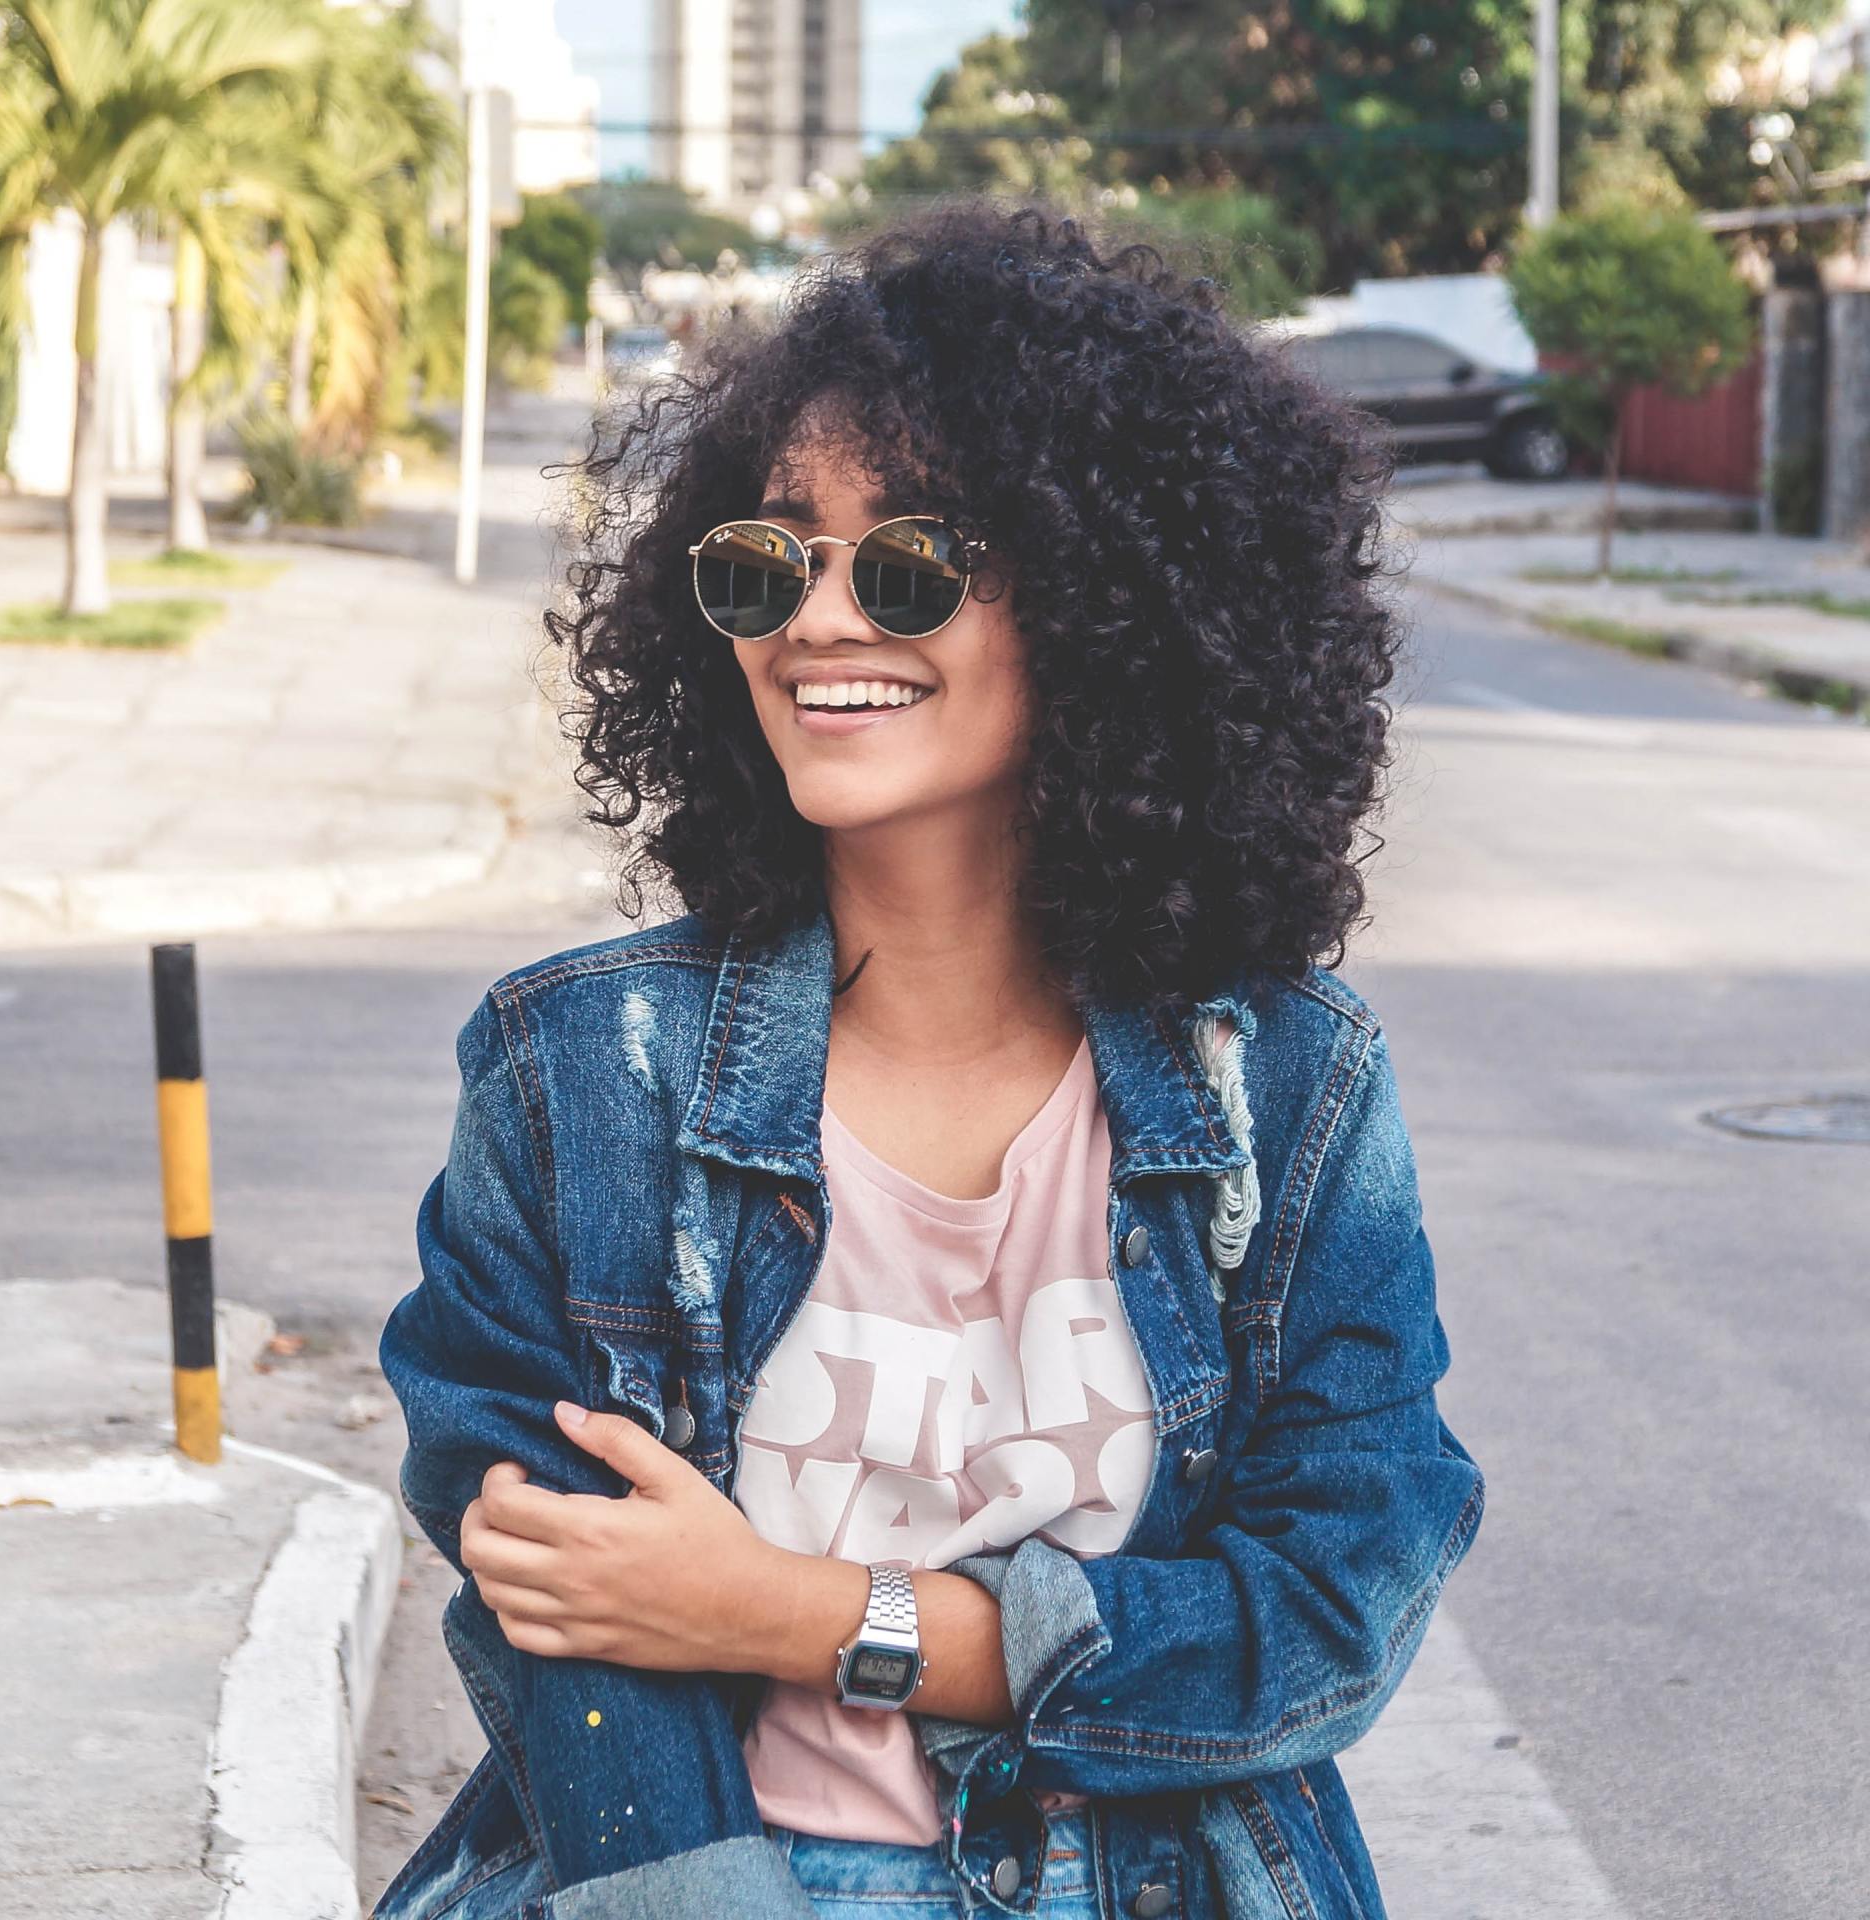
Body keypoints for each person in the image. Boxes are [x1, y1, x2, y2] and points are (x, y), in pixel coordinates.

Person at [375, 197, 1484, 1920]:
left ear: (1107, 601)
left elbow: (1329, 1622)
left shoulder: (1292, 1086)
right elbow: (555, 1606)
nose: (819, 619)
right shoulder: (577, 1068)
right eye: (769, 559)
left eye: (908, 562)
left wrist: (798, 1615)